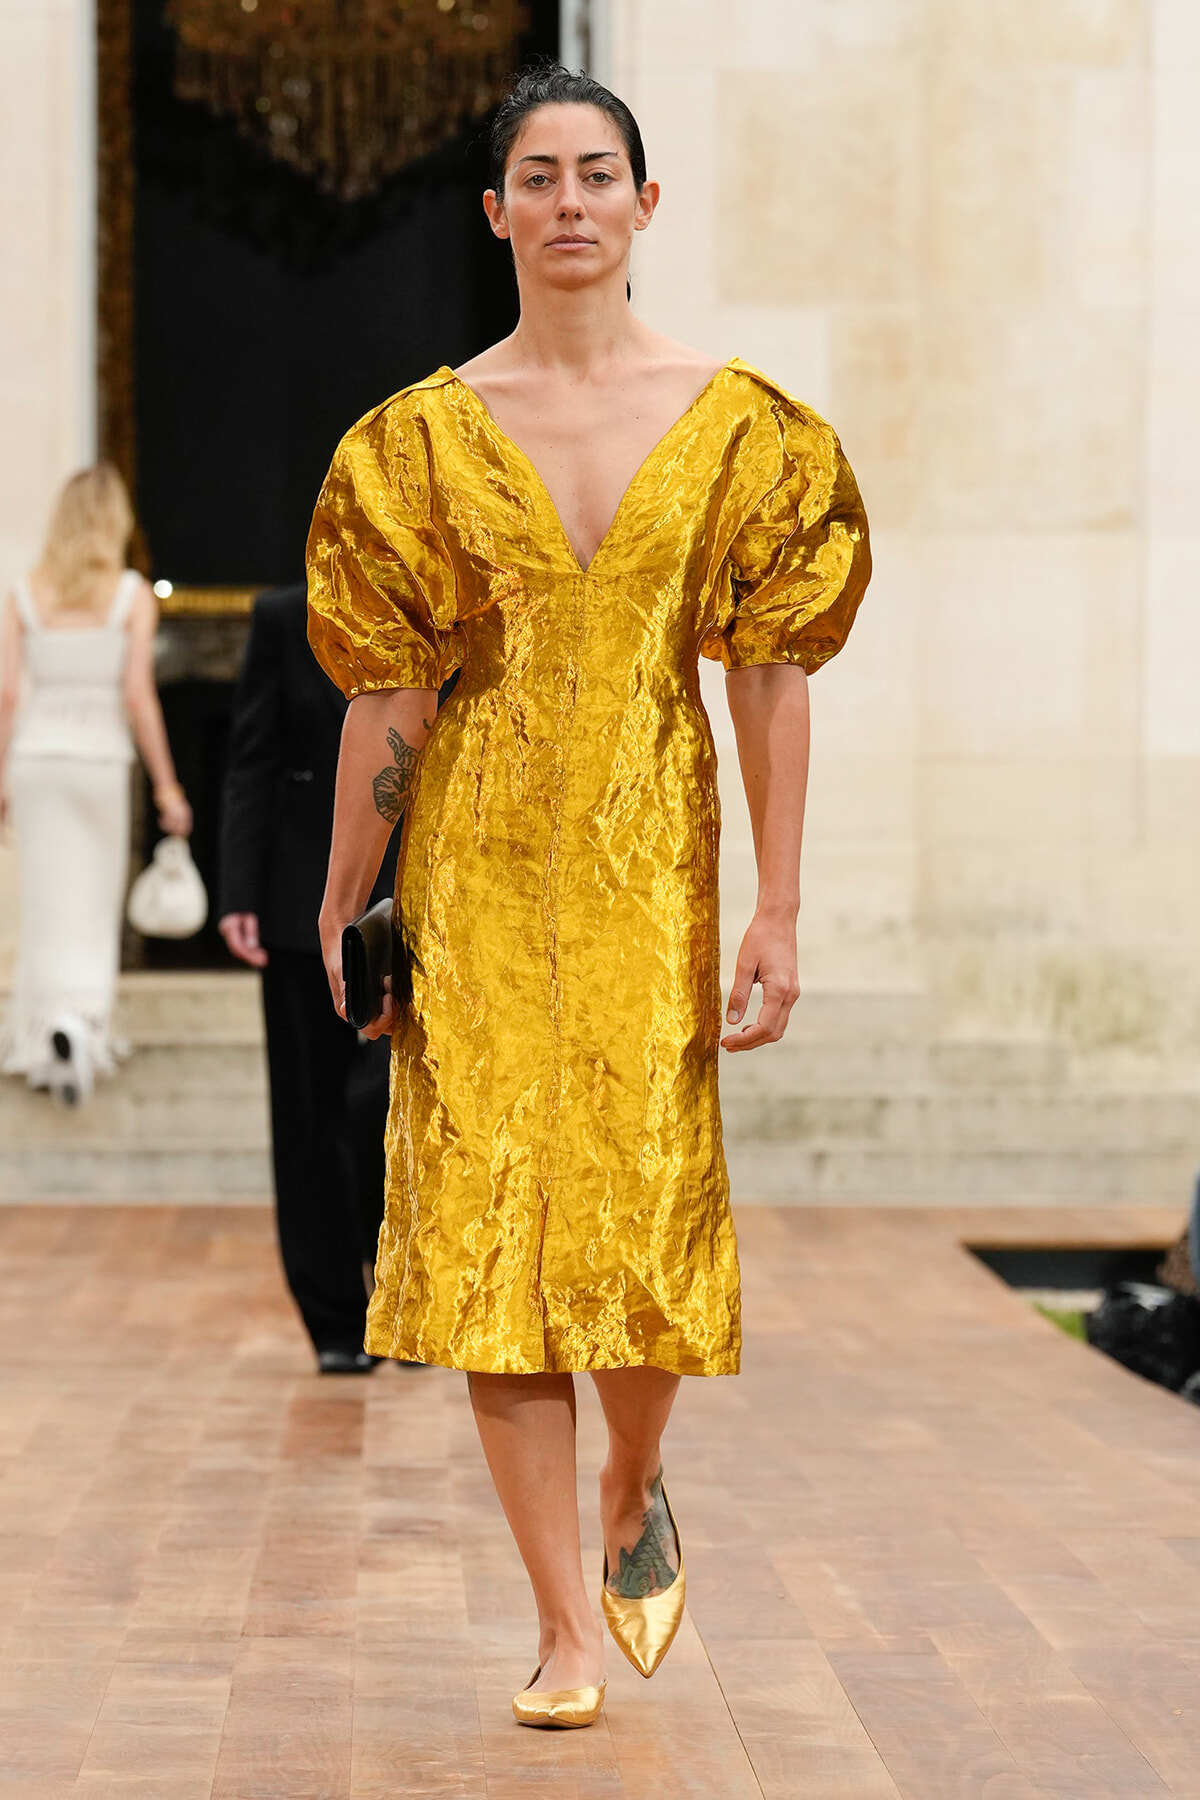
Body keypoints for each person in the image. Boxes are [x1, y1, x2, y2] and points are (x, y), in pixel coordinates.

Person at [307, 64, 870, 1728]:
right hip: (474, 872)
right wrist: (349, 898)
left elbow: (771, 671)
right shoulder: (415, 440)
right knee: (492, 1241)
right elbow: (386, 702)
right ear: (494, 213)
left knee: (638, 1228)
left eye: (595, 173)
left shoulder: (746, 427)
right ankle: (562, 1629)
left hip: (655, 872)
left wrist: (779, 906)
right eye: (535, 176)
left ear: (642, 204)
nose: (567, 201)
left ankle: (631, 1474)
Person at [218, 584, 400, 1374]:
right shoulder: (283, 618)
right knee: (306, 1108)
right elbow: (251, 758)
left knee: (388, 1101)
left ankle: (402, 1297)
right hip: (296, 898)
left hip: (410, 895)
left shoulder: (439, 607)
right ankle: (333, 1317)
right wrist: (238, 893)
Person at [0, 464, 192, 1104]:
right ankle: (81, 1027)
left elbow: (5, 694)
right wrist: (168, 788)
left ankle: (45, 1037)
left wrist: (1, 774)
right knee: (91, 901)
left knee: (46, 903)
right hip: (99, 763)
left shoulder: (26, 593)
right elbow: (138, 696)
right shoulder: (131, 594)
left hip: (36, 761)